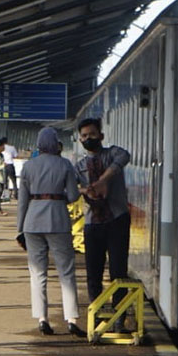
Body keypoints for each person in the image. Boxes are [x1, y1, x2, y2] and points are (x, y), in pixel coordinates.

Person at [17, 127, 87, 338]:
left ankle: (42, 319)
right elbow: (74, 196)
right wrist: (57, 198)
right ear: (56, 144)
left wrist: (19, 229)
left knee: (37, 272)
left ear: (39, 144)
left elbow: (22, 202)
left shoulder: (29, 166)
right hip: (58, 221)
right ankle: (72, 319)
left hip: (32, 222)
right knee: (66, 271)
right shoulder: (65, 164)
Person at [75, 117, 132, 307]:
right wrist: (86, 190)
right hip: (93, 224)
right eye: (84, 136)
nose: (88, 138)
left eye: (92, 134)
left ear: (101, 136)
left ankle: (119, 317)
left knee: (118, 272)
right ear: (80, 140)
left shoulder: (112, 153)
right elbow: (69, 190)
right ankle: (97, 314)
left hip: (118, 220)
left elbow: (124, 157)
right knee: (93, 273)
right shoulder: (79, 167)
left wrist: (104, 180)